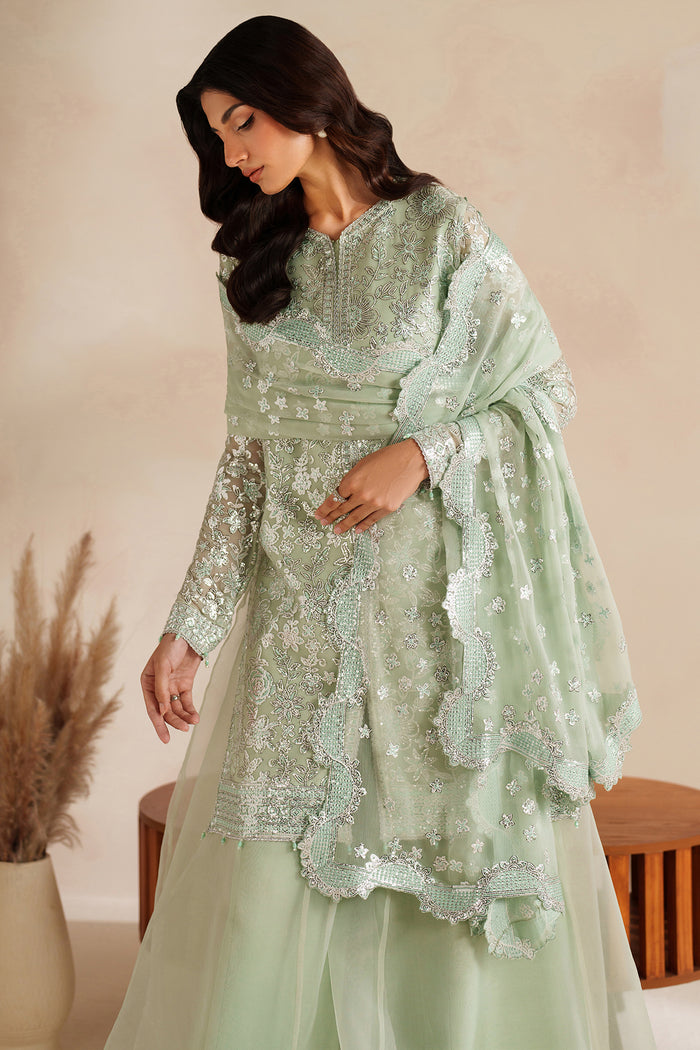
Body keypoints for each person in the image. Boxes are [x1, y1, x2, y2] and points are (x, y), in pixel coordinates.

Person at [105, 15, 658, 1050]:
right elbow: (249, 460)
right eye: (217, 136)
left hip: (432, 618)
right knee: (271, 890)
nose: (231, 152)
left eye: (242, 121)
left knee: (440, 876)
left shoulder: (442, 229)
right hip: (300, 623)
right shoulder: (248, 266)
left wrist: (426, 452)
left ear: (307, 100)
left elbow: (545, 390)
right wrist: (191, 626)